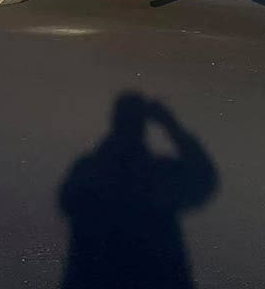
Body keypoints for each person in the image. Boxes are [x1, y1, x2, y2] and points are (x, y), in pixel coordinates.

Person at [58, 92, 219, 289]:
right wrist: (170, 124)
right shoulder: (156, 177)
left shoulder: (89, 171)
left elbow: (67, 202)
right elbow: (203, 177)